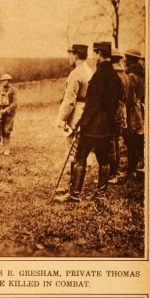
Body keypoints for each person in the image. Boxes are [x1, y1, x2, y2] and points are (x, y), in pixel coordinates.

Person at [56, 42, 122, 204]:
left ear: (100, 54)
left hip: (92, 126)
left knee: (79, 158)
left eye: (95, 53)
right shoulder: (115, 76)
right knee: (104, 161)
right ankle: (100, 195)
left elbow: (92, 104)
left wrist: (81, 123)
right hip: (107, 126)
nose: (93, 56)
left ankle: (74, 194)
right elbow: (115, 103)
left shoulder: (99, 75)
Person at [55, 44, 92, 195]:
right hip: (86, 113)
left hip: (76, 114)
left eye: (70, 54)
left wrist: (61, 119)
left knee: (75, 151)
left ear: (76, 56)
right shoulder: (89, 70)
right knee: (78, 151)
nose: (68, 57)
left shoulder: (76, 73)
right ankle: (72, 187)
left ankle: (74, 192)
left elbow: (69, 100)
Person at [108, 50, 129, 183]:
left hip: (114, 111)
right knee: (116, 141)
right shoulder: (124, 75)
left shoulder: (114, 76)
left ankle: (113, 174)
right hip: (122, 110)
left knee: (111, 141)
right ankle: (115, 172)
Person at [124, 48, 145, 181]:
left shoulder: (131, 76)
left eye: (126, 57)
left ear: (130, 60)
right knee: (137, 140)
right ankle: (135, 167)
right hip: (139, 109)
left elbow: (129, 98)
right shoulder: (141, 74)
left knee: (131, 142)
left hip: (132, 111)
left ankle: (131, 170)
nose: (125, 60)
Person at [0, 74, 17, 155]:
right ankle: (4, 148)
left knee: (7, 131)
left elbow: (14, 104)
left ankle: (7, 148)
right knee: (1, 131)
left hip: (9, 113)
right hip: (0, 112)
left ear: (9, 81)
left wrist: (6, 110)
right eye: (3, 81)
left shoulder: (13, 90)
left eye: (5, 80)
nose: (4, 82)